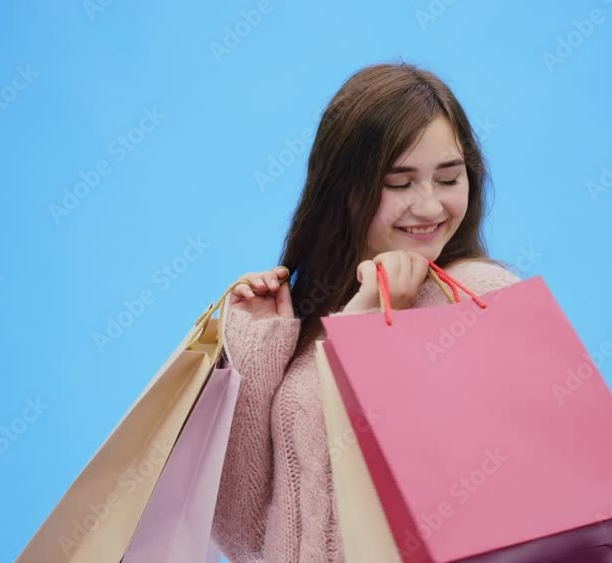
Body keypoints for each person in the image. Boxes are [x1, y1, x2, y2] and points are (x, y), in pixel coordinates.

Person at [212, 62, 522, 562]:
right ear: (343, 190)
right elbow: (240, 534)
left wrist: (374, 330)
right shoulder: (310, 319)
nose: (428, 207)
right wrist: (256, 343)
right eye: (399, 183)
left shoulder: (479, 298)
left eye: (448, 178)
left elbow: (498, 503)